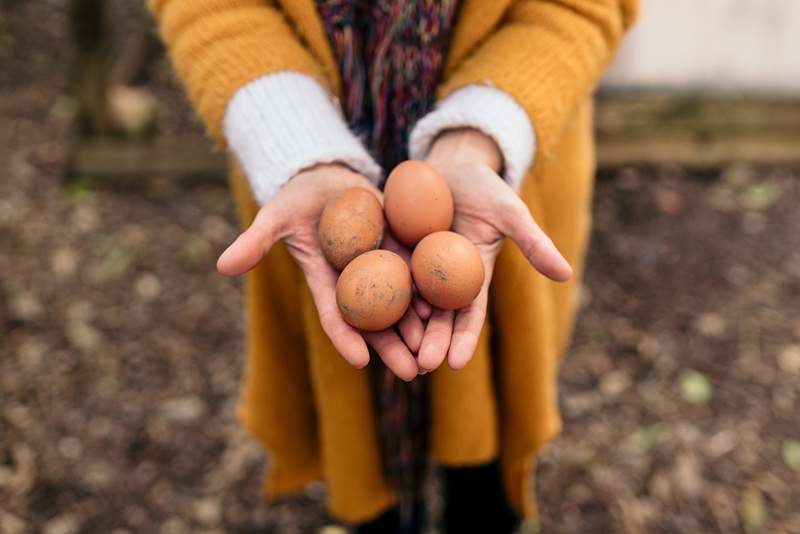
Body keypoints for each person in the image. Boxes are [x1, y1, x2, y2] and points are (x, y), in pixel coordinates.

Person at [149, 0, 638, 532]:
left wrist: (482, 131)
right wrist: (296, 143)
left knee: (484, 458)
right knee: (359, 439)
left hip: (500, 164)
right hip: (302, 169)